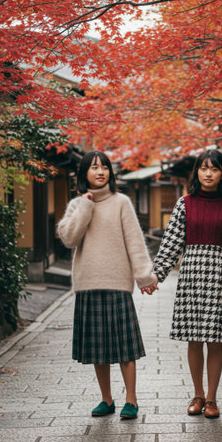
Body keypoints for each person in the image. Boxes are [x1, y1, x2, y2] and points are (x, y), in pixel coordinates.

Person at [57, 151, 158, 420]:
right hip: (88, 283)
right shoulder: (78, 205)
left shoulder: (121, 202)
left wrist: (145, 277)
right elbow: (69, 238)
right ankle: (106, 399)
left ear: (110, 174)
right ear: (83, 175)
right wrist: (85, 207)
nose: (100, 172)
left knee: (125, 346)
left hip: (117, 284)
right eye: (93, 168)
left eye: (104, 167)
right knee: (97, 348)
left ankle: (131, 400)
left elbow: (134, 242)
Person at [154, 150, 222, 418]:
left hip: (220, 276)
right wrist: (157, 275)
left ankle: (212, 399)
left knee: (216, 339)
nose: (208, 173)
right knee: (194, 339)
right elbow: (171, 243)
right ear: (196, 172)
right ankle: (197, 395)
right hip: (191, 276)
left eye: (215, 169)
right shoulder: (184, 203)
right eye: (203, 168)